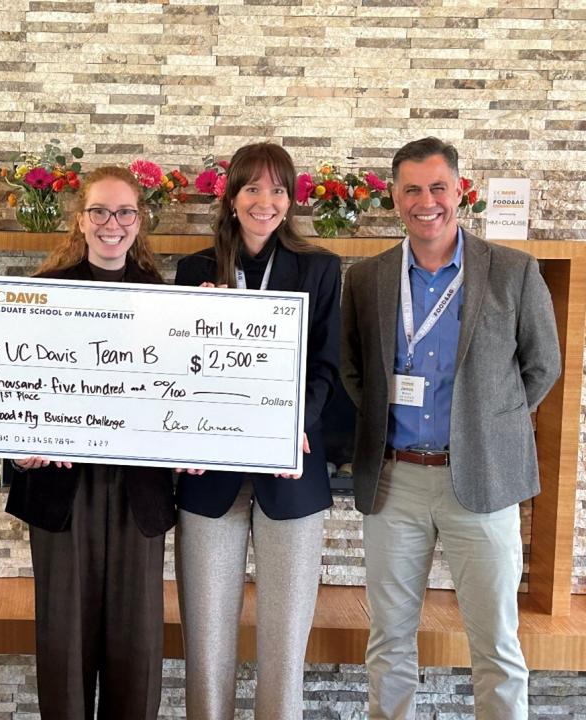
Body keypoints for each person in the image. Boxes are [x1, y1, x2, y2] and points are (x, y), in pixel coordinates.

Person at [340, 136, 561, 720]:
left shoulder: (513, 271)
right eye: (411, 189)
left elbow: (542, 366)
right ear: (394, 197)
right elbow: (354, 370)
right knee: (388, 644)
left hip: (483, 480)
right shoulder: (367, 279)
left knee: (496, 646)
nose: (426, 201)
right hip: (395, 484)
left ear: (460, 190)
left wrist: (485, 425)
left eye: (438, 186)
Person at [174, 142, 341, 720]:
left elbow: (326, 364)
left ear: (290, 201)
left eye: (276, 190)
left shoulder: (319, 268)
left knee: (283, 648)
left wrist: (297, 423)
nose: (264, 201)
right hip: (209, 477)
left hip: (289, 473)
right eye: (251, 188)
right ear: (231, 197)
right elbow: (176, 368)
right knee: (207, 646)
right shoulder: (195, 271)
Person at [5, 166, 176, 720]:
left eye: (124, 212)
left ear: (139, 221)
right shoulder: (41, 295)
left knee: (137, 647)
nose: (112, 223)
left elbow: (182, 393)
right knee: (63, 644)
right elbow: (11, 383)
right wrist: (15, 444)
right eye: (100, 211)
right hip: (62, 491)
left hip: (139, 493)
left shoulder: (169, 302)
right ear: (80, 219)